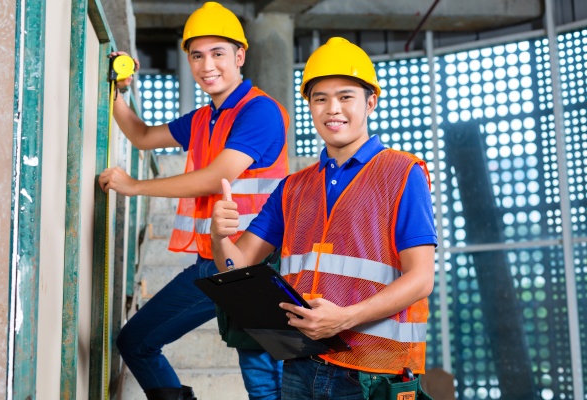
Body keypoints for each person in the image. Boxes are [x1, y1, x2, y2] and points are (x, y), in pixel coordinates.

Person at [210, 37, 437, 399]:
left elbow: (422, 279)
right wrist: (220, 238)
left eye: (345, 96)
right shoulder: (293, 188)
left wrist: (344, 318)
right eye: (320, 98)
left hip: (371, 374)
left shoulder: (402, 172)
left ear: (370, 102)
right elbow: (235, 266)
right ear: (310, 107)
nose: (333, 108)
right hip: (301, 365)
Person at [98, 2, 288, 399]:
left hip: (256, 268)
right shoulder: (204, 118)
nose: (207, 65)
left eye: (218, 53)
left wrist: (134, 186)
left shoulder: (260, 112)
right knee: (136, 342)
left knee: (266, 386)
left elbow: (214, 178)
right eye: (197, 55)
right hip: (211, 264)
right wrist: (116, 88)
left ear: (239, 56)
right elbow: (143, 137)